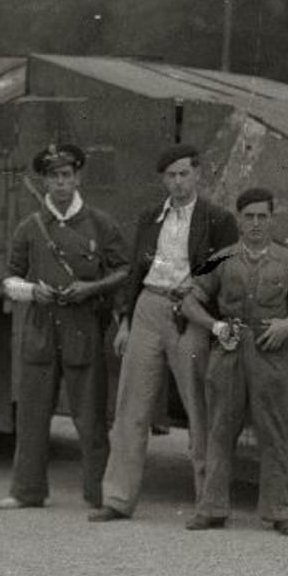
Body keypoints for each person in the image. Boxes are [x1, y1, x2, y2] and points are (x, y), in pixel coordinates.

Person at [89, 145, 238, 522]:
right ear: (163, 179)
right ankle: (118, 499)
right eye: (170, 176)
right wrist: (124, 320)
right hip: (149, 307)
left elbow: (225, 268)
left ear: (198, 174)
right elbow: (135, 272)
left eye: (184, 174)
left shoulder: (217, 219)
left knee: (198, 406)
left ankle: (209, 503)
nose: (178, 182)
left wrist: (200, 304)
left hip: (190, 311)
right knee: (130, 405)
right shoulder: (150, 218)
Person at [0, 144, 129, 510]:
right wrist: (30, 291)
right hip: (40, 327)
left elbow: (123, 271)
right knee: (32, 415)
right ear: (45, 180)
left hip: (82, 327)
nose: (61, 183)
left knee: (91, 417)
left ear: (77, 178)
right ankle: (26, 491)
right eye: (54, 177)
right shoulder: (30, 227)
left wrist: (91, 288)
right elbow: (8, 279)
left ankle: (99, 494)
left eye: (66, 175)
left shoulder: (101, 224)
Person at [180, 187, 288, 535]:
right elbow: (189, 301)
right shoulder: (218, 258)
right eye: (249, 216)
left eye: (262, 216)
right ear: (239, 219)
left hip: (271, 352)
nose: (255, 223)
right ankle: (212, 508)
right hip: (229, 349)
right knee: (220, 429)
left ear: (272, 218)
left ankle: (280, 511)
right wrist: (215, 325)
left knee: (275, 431)